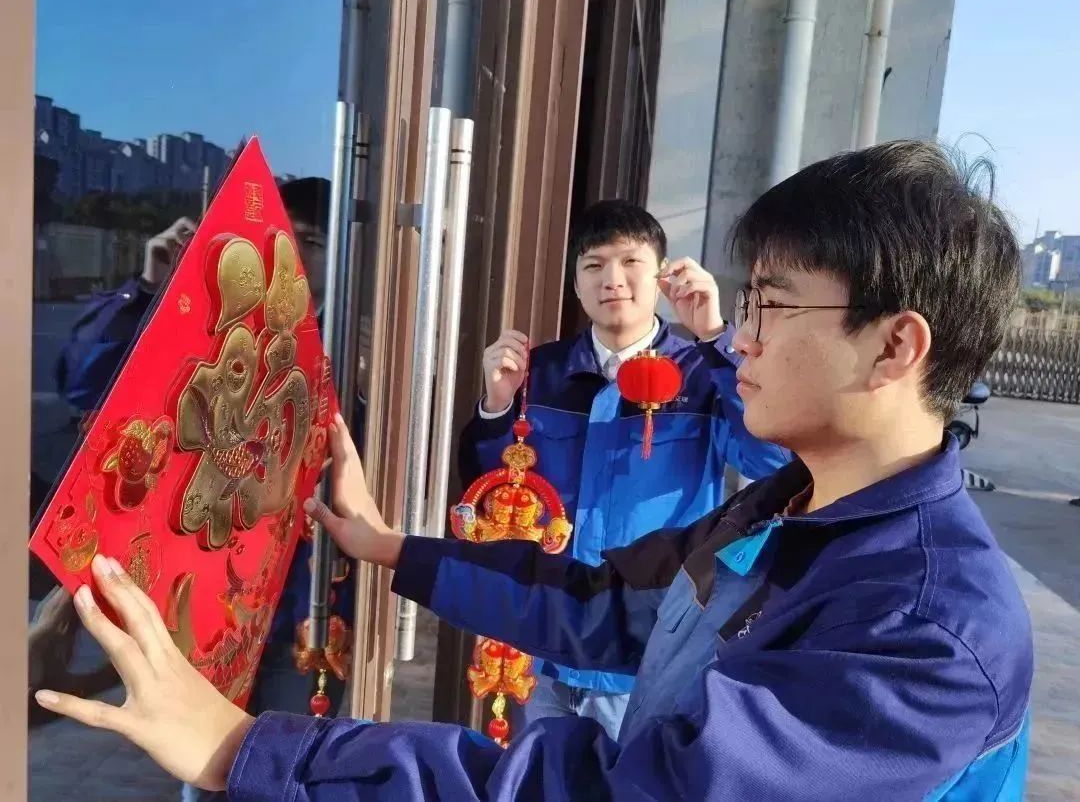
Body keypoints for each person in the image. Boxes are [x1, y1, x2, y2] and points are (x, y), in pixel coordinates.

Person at [38, 141, 1034, 800]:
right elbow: (594, 603)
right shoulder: (781, 515)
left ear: (895, 346)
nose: (741, 339)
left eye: (772, 305)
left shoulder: (925, 631)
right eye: (746, 306)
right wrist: (391, 548)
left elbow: (622, 793)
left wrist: (250, 749)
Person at [31, 177, 358, 800]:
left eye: (312, 241)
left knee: (286, 771)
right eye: (287, 236)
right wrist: (148, 287)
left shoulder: (346, 346)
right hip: (207, 600)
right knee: (205, 770)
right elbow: (85, 385)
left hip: (304, 609)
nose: (294, 252)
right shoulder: (211, 330)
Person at [460, 200, 789, 737]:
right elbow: (487, 496)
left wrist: (717, 339)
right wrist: (496, 407)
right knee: (538, 775)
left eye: (631, 261)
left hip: (648, 646)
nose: (612, 279)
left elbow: (770, 459)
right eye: (593, 265)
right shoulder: (538, 373)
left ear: (662, 274)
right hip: (546, 640)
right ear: (576, 283)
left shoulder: (702, 371)